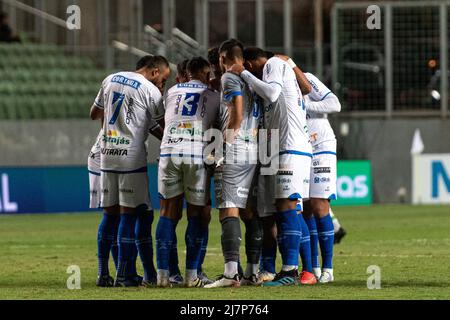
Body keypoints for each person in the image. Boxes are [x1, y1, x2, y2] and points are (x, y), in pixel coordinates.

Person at [230, 47, 312, 287]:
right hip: (274, 146)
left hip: (289, 145)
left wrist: (243, 73)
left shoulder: (273, 64)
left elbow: (274, 93)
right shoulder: (274, 70)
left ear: (251, 62)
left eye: (248, 66)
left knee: (288, 206)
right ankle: (272, 268)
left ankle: (291, 271)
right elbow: (305, 88)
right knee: (271, 210)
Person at [90, 55, 170, 287]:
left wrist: (116, 125)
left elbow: (94, 113)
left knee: (110, 214)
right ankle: (125, 275)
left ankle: (103, 274)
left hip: (106, 155)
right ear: (155, 72)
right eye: (163, 79)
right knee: (129, 214)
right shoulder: (150, 90)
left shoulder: (110, 79)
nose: (162, 85)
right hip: (131, 158)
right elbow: (163, 124)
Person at [156, 57, 221, 288]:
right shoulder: (213, 94)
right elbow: (217, 128)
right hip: (196, 154)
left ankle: (163, 276)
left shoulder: (172, 91)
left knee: (167, 212)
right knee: (199, 213)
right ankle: (192, 275)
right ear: (204, 73)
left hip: (168, 152)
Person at [204, 39, 262, 288]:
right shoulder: (252, 79)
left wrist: (222, 148)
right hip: (255, 148)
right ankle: (252, 271)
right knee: (249, 211)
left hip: (236, 148)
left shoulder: (230, 78)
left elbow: (236, 115)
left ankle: (230, 274)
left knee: (228, 209)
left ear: (223, 57)